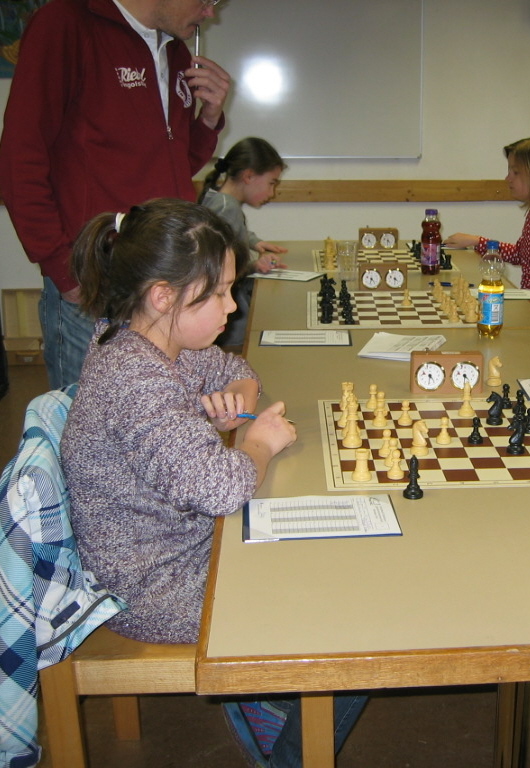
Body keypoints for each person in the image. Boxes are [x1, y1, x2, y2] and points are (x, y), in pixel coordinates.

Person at [59, 199, 363, 765]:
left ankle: (268, 697)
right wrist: (257, 442)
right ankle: (289, 750)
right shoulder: (136, 378)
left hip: (177, 547)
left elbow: (236, 370)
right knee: (349, 611)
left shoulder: (150, 344)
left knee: (331, 562)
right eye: (219, 293)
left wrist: (235, 404)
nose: (233, 305)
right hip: (150, 585)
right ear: (163, 296)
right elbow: (222, 488)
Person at [0, 0, 231, 390]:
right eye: (206, 0)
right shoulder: (67, 24)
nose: (210, 13)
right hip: (94, 279)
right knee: (90, 419)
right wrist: (63, 268)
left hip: (164, 276)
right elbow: (19, 158)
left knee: (159, 410)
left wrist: (208, 119)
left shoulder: (174, 51)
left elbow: (175, 164)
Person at [444, 134, 530, 323]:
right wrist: (477, 242)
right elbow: (519, 254)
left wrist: (516, 299)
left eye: (516, 172)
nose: (508, 178)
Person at [198, 136, 289, 347]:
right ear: (248, 176)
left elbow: (229, 233)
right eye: (271, 183)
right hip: (230, 321)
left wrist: (254, 242)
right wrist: (254, 265)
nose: (272, 193)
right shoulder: (226, 208)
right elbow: (218, 266)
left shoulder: (219, 200)